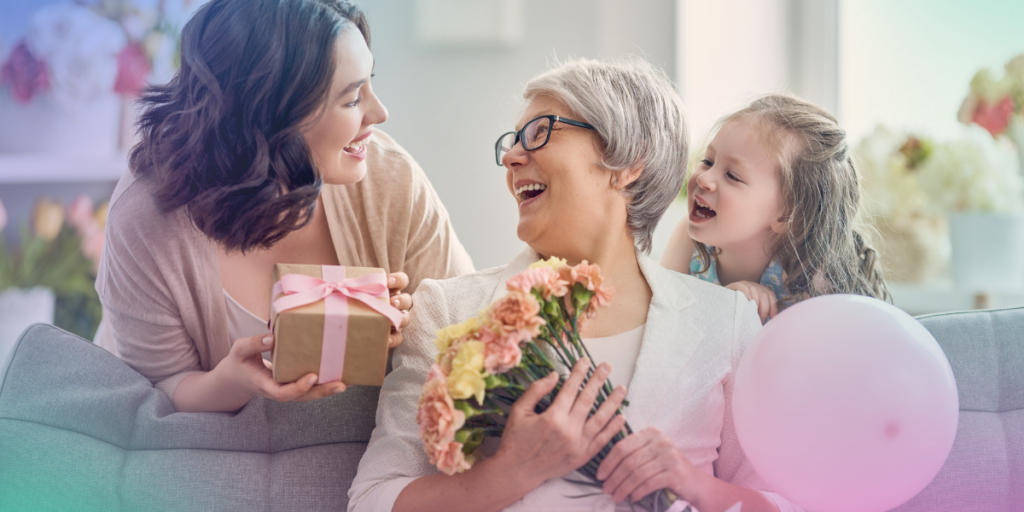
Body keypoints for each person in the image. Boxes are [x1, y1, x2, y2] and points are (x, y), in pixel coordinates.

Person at [349, 58, 804, 512]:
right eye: (511, 142)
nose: (510, 157)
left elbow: (788, 501)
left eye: (540, 132)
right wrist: (508, 474)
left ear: (629, 161)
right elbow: (372, 499)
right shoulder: (446, 310)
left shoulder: (726, 323)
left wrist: (695, 487)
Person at [94, 0, 473, 413]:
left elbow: (468, 335)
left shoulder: (390, 180)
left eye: (370, 84)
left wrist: (416, 324)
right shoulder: (146, 216)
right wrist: (234, 381)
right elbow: (160, 389)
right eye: (351, 100)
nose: (380, 113)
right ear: (270, 115)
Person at [661, 94, 888, 323]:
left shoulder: (807, 280)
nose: (705, 178)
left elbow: (817, 356)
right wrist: (725, 306)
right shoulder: (689, 240)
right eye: (708, 161)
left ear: (787, 215)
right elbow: (660, 321)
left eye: (732, 176)